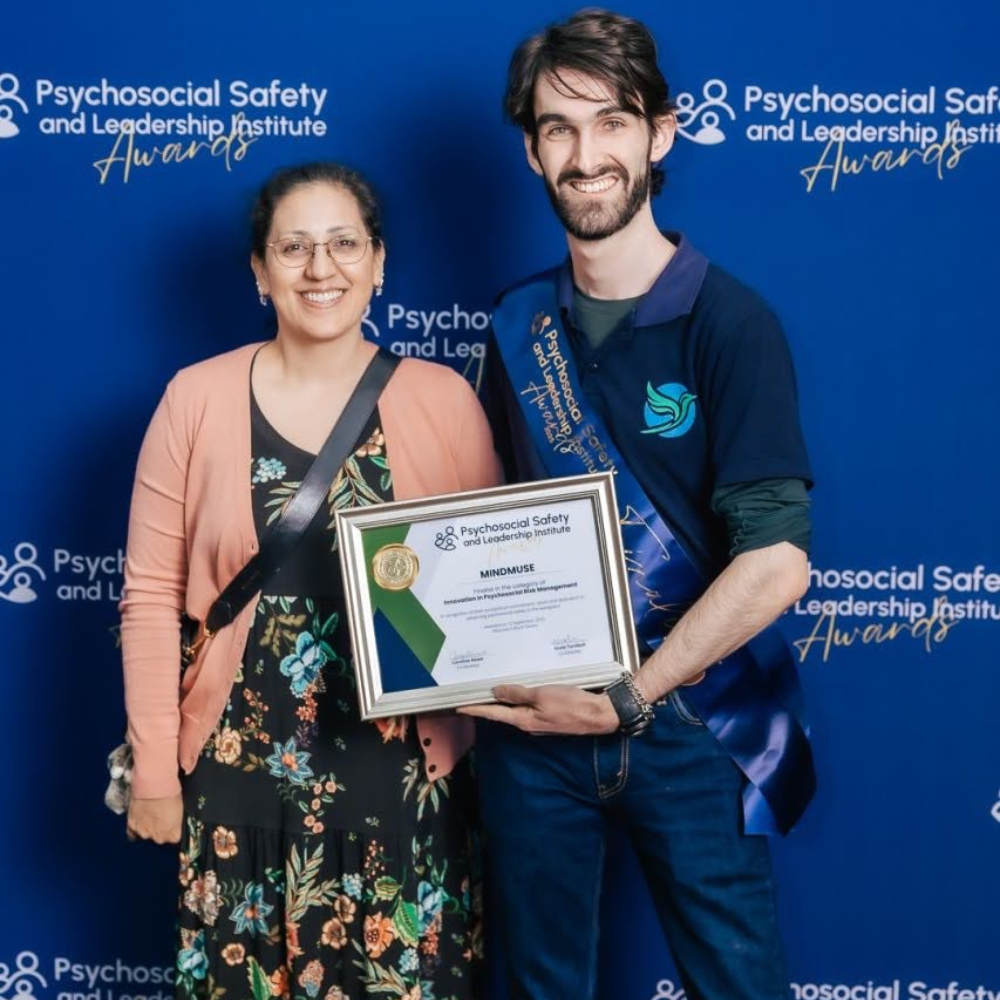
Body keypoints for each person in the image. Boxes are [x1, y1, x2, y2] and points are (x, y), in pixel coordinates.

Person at [460, 10, 816, 1000]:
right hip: (536, 733)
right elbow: (486, 528)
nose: (585, 154)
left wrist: (631, 692)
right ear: (532, 152)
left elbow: (776, 561)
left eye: (610, 122)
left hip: (689, 725)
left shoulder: (732, 323)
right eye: (557, 128)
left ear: (660, 134)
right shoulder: (515, 322)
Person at [120, 161, 499, 1000]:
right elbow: (149, 598)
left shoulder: (443, 400)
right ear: (260, 270)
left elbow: (489, 592)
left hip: (403, 779)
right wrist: (153, 774)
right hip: (233, 777)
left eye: (343, 245)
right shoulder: (195, 398)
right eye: (294, 248)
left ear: (379, 262)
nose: (320, 269)